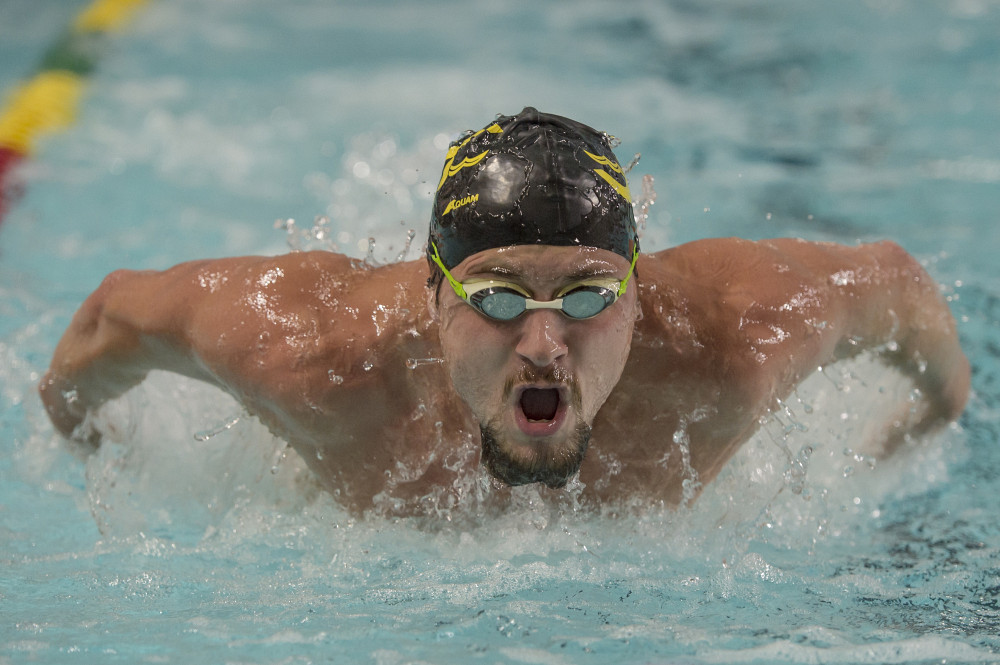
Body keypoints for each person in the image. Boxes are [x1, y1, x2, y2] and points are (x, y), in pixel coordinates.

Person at [39, 107, 970, 514]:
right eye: (496, 296)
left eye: (589, 294)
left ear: (636, 291)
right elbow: (111, 315)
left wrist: (919, 426)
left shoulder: (735, 346)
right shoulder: (313, 355)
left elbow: (900, 285)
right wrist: (91, 446)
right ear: (432, 289)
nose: (544, 345)